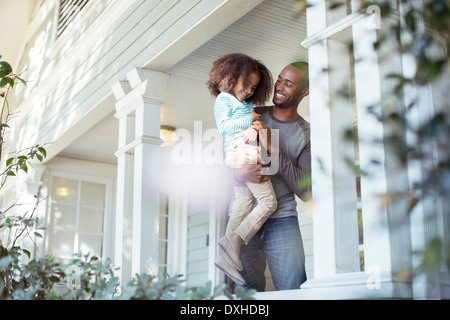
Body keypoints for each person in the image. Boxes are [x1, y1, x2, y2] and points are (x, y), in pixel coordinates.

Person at [231, 62, 311, 291]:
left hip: (282, 221)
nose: (279, 86)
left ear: (304, 92)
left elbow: (307, 192)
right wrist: (237, 174)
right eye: (279, 79)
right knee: (245, 296)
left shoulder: (306, 134)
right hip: (243, 217)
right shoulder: (251, 113)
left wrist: (273, 147)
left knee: (293, 292)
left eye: (289, 83)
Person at [207, 53, 278, 285]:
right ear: (231, 77)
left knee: (243, 203)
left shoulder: (246, 104)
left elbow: (250, 126)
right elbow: (224, 126)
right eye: (245, 84)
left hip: (244, 149)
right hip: (241, 152)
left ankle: (227, 256)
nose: (248, 91)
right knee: (268, 202)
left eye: (254, 87)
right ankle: (235, 238)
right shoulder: (224, 99)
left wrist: (255, 127)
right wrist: (251, 120)